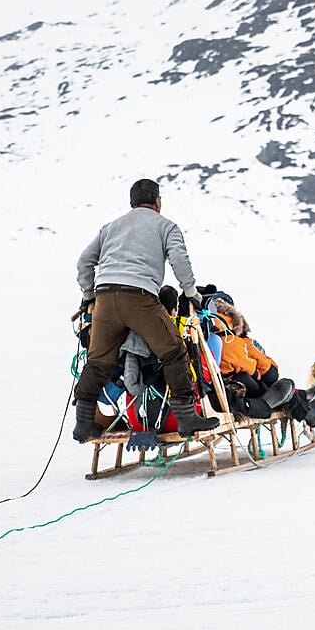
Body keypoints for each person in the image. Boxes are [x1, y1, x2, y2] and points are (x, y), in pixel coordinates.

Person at [71, 179, 220, 443]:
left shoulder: (111, 227)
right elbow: (180, 260)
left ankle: (84, 424)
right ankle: (186, 417)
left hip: (105, 298)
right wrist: (190, 293)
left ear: (132, 202)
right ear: (158, 201)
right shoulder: (166, 226)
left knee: (98, 361)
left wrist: (88, 295)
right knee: (173, 351)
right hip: (139, 297)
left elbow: (84, 262)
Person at [206, 299, 315, 427]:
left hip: (214, 392)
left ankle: (304, 397)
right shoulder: (231, 339)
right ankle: (307, 407)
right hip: (231, 395)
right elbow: (270, 373)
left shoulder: (203, 334)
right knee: (266, 382)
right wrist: (257, 375)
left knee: (271, 384)